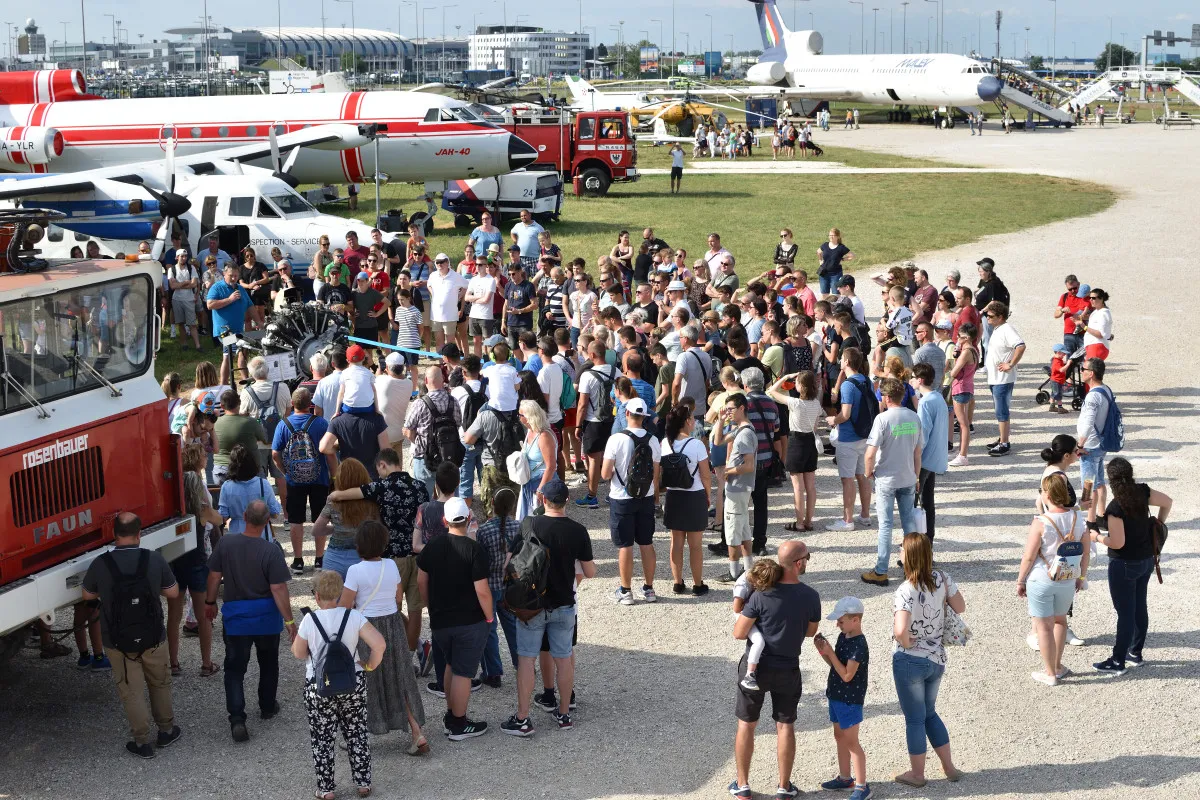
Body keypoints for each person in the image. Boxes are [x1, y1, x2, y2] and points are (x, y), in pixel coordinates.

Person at [500, 478, 597, 736]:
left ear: (543, 500)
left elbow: (509, 563)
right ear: (566, 501)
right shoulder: (578, 530)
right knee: (563, 659)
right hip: (564, 604)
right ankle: (564, 714)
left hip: (532, 605)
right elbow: (589, 570)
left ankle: (522, 719)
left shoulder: (529, 524)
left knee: (526, 660)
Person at [81, 512, 181, 759]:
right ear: (139, 534)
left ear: (113, 534)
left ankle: (141, 742)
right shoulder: (154, 559)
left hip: (117, 641)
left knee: (131, 690)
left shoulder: (100, 564)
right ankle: (166, 730)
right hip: (153, 635)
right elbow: (173, 592)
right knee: (159, 683)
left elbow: (87, 596)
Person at [729, 541, 821, 800]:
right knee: (785, 726)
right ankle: (783, 786)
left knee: (747, 724)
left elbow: (739, 633)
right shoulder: (811, 596)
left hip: (756, 669)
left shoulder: (760, 595)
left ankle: (743, 784)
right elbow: (811, 632)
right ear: (799, 563)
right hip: (788, 667)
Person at [205, 500, 297, 743]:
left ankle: (237, 718)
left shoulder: (226, 544)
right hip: (266, 619)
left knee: (234, 669)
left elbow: (214, 576)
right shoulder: (271, 551)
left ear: (244, 516)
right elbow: (278, 588)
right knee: (268, 663)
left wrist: (210, 603)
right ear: (268, 520)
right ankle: (267, 706)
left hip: (237, 619)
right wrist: (290, 622)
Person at [326, 448, 430, 655]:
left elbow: (347, 494)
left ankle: (398, 654)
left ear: (382, 465)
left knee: (393, 607)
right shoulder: (420, 487)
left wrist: (334, 493)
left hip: (393, 557)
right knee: (415, 608)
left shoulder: (381, 487)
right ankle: (412, 653)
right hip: (419, 556)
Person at [293, 570, 384, 799]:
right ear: (340, 593)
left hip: (319, 685)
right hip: (352, 682)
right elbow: (380, 645)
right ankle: (363, 783)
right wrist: (369, 666)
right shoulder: (353, 617)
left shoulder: (309, 620)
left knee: (322, 737)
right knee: (356, 731)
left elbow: (298, 653)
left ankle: (326, 789)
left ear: (316, 596)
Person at [338, 521, 427, 755]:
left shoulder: (355, 571)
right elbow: (398, 599)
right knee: (401, 677)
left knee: (366, 680)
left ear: (359, 545)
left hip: (367, 628)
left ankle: (356, 735)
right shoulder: (390, 565)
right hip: (393, 624)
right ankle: (416, 732)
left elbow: (344, 606)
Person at [891, 533, 965, 788]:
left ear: (908, 555)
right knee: (930, 713)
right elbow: (960, 606)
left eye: (901, 548)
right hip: (936, 657)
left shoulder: (905, 589)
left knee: (914, 718)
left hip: (910, 660)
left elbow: (901, 630)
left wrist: (907, 641)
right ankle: (949, 767)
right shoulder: (943, 578)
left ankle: (917, 774)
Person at [416, 497, 492, 740]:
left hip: (441, 620)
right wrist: (489, 617)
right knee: (463, 672)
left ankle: (452, 713)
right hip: (469, 621)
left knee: (450, 664)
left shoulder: (433, 546)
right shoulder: (474, 549)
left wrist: (430, 605)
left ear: (444, 520)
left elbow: (421, 581)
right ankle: (458, 724)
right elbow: (482, 590)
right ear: (469, 519)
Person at [1092, 458, 1173, 676]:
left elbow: (1117, 542)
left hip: (1124, 563)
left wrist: (1097, 538)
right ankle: (1135, 653)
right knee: (1139, 607)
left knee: (1125, 613)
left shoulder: (1116, 506)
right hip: (1147, 559)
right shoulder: (1143, 491)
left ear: (1111, 479)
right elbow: (1167, 501)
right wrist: (1159, 522)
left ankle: (1118, 660)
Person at [1016, 473, 1089, 686]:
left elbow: (1029, 556)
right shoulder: (1079, 520)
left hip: (1042, 578)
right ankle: (1058, 666)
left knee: (1043, 627)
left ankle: (1049, 674)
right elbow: (1085, 554)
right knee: (1060, 622)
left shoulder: (1041, 522)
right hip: (1067, 578)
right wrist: (1081, 577)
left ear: (1047, 494)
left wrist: (1020, 580)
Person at [167, 443, 222, 678]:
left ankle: (174, 664)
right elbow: (217, 519)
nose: (206, 458)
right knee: (203, 615)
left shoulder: (174, 493)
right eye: (203, 455)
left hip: (175, 557)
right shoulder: (200, 502)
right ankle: (206, 664)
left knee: (173, 614)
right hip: (198, 558)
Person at [860, 379, 922, 588]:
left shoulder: (882, 419)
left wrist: (869, 472)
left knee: (885, 526)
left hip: (886, 478)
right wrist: (917, 476)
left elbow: (870, 454)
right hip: (907, 477)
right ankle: (914, 568)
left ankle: (881, 570)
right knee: (909, 525)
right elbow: (917, 452)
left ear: (886, 398)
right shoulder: (914, 417)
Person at [602, 398, 661, 605]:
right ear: (644, 416)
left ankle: (626, 591)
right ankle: (649, 589)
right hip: (645, 496)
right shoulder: (653, 440)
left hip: (622, 497)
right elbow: (656, 474)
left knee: (625, 545)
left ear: (627, 414)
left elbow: (605, 473)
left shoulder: (616, 439)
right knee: (646, 542)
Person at [272, 387, 336, 574]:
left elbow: (276, 453)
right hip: (319, 478)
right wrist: (334, 476)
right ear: (311, 405)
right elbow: (330, 453)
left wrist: (286, 471)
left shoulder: (283, 424)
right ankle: (319, 559)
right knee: (320, 519)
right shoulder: (322, 424)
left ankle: (298, 560)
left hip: (294, 480)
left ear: (292, 404)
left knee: (295, 520)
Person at [814, 597, 871, 800]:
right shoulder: (844, 637)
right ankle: (845, 777)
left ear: (855, 620)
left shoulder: (859, 645)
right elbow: (836, 666)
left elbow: (847, 674)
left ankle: (862, 785)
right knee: (840, 737)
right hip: (836, 695)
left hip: (850, 699)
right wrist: (824, 652)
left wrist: (829, 652)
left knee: (852, 742)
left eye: (841, 621)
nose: (837, 624)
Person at [660, 403, 711, 596]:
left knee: (676, 542)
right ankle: (698, 583)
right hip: (694, 495)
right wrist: (707, 495)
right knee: (696, 545)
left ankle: (677, 582)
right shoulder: (696, 444)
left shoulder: (664, 443)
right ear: (688, 421)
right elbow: (706, 475)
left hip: (673, 495)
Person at [827, 348, 873, 531]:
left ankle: (847, 520)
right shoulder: (866, 380)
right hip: (864, 435)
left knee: (847, 479)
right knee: (862, 476)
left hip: (848, 437)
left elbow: (845, 414)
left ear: (846, 362)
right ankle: (865, 515)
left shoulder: (847, 385)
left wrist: (833, 420)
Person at [715, 393, 759, 583]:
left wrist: (729, 470)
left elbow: (749, 465)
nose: (729, 412)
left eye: (731, 409)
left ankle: (734, 572)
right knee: (743, 529)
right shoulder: (742, 430)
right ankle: (748, 568)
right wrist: (721, 419)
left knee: (733, 530)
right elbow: (718, 441)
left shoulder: (745, 434)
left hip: (738, 487)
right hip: (740, 487)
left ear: (742, 408)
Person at [574, 340, 619, 509]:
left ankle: (592, 496)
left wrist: (578, 426)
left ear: (592, 355)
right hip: (613, 419)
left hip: (594, 421)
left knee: (594, 459)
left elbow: (582, 404)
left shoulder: (587, 375)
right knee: (614, 458)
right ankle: (613, 493)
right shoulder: (617, 371)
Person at [983, 300, 1026, 459]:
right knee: (999, 409)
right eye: (987, 315)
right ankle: (1002, 438)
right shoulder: (998, 328)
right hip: (995, 378)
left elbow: (1020, 346)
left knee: (1002, 411)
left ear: (1001, 317)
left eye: (991, 316)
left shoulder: (1007, 329)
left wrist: (1011, 364)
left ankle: (1005, 443)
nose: (988, 318)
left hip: (1003, 378)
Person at [912, 363, 948, 542]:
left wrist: (913, 458)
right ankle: (928, 545)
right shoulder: (938, 397)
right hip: (935, 458)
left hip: (924, 460)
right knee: (928, 503)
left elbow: (922, 435)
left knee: (913, 504)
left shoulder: (925, 402)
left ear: (919, 380)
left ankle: (914, 548)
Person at [217, 444, 282, 537]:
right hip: (260, 535)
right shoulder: (263, 484)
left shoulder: (227, 486)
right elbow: (274, 512)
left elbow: (223, 516)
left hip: (236, 535)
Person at [206, 263, 252, 385]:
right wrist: (230, 299)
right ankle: (224, 384)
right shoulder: (216, 287)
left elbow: (250, 306)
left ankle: (246, 381)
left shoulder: (240, 288)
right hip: (223, 332)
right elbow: (210, 305)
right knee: (229, 353)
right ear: (224, 274)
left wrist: (259, 321)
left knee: (243, 349)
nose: (233, 278)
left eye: (236, 276)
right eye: (231, 275)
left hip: (238, 331)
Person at [947, 323, 978, 467]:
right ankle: (961, 451)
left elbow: (954, 372)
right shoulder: (974, 350)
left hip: (960, 387)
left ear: (966, 338)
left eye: (959, 336)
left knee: (963, 424)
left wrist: (955, 359)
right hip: (967, 386)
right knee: (964, 422)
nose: (957, 338)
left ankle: (963, 455)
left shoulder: (966, 352)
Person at [426, 253, 468, 351]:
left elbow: (466, 285)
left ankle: (450, 365)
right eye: (438, 262)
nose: (440, 264)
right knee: (439, 342)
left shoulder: (455, 276)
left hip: (450, 315)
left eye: (442, 262)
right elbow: (429, 285)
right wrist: (433, 294)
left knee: (450, 343)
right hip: (436, 315)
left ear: (447, 262)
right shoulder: (433, 275)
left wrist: (460, 295)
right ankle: (442, 364)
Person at [817, 228, 854, 296]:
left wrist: (842, 259)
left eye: (833, 235)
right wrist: (820, 261)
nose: (831, 237)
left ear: (838, 236)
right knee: (824, 294)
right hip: (824, 273)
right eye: (830, 235)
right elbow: (818, 252)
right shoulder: (825, 245)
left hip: (836, 274)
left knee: (836, 295)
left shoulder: (841, 247)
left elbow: (852, 256)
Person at [1082, 288, 1113, 361]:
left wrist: (1083, 326)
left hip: (1097, 346)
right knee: (1089, 370)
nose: (1091, 300)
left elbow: (1100, 334)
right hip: (1093, 345)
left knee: (1090, 370)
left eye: (1093, 298)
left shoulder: (1103, 313)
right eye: (1090, 298)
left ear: (1101, 299)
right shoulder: (1097, 311)